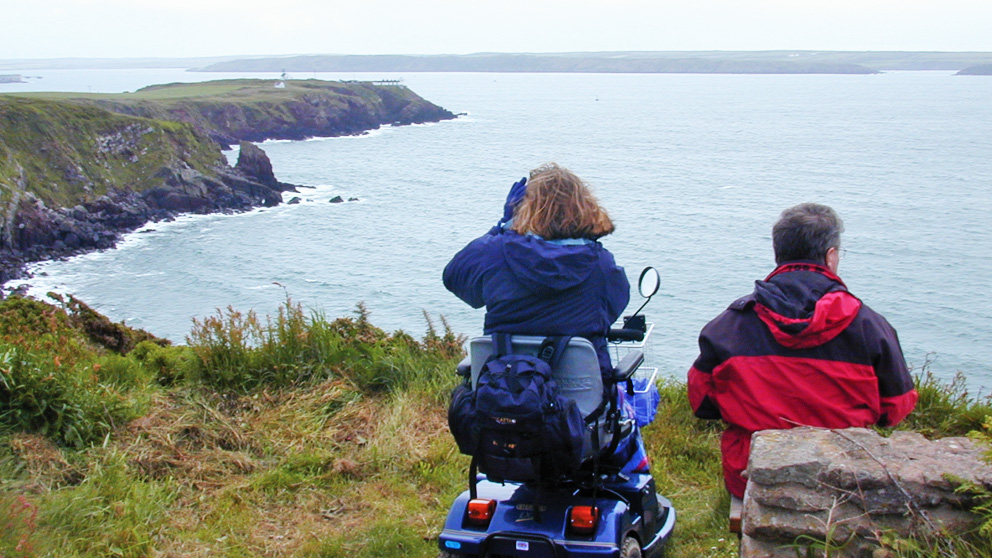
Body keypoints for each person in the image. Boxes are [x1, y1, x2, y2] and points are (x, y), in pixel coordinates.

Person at [687, 203, 918, 499]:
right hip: (845, 475)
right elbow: (896, 407)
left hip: (753, 476)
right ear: (830, 256)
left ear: (777, 253)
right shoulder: (869, 326)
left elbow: (702, 402)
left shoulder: (729, 326)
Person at [443, 163, 648, 473]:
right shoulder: (601, 266)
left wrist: (501, 227)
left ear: (524, 206)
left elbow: (455, 279)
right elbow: (611, 311)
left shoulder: (497, 253)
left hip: (504, 404)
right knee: (626, 411)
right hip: (582, 414)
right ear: (584, 207)